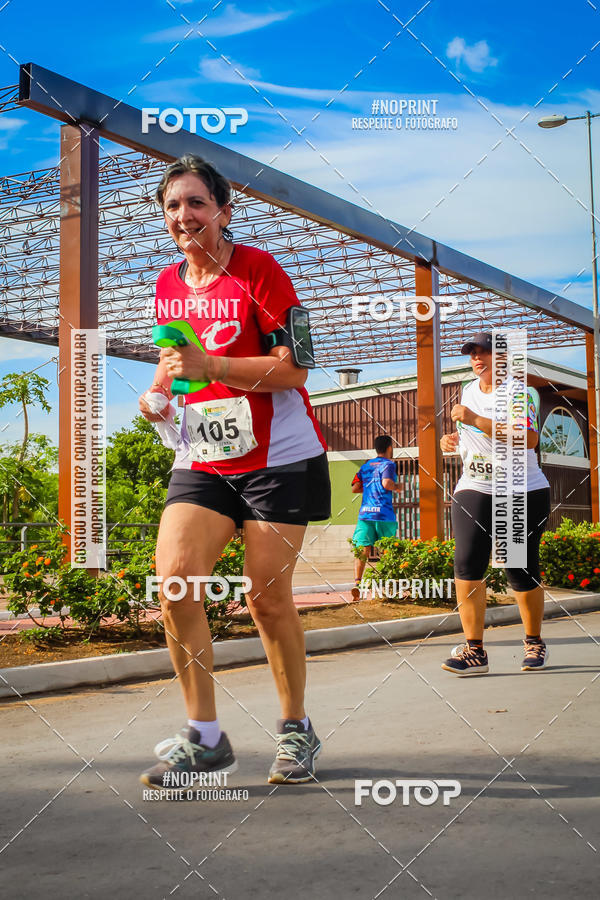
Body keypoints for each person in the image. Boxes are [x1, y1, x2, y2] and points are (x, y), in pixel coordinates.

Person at [138, 154, 331, 785]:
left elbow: (297, 370)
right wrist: (160, 392)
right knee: (174, 583)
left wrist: (215, 369)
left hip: (279, 457)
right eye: (172, 205)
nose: (184, 216)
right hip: (204, 454)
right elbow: (177, 362)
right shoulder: (168, 283)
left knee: (267, 599)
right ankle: (206, 738)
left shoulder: (260, 271)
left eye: (196, 203)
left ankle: (296, 729)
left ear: (224, 211)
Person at [439, 332, 551, 675]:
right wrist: (455, 438)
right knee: (466, 563)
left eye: (484, 352)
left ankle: (534, 640)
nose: (477, 359)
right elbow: (478, 437)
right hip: (474, 484)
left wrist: (474, 420)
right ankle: (474, 651)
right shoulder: (469, 390)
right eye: (472, 353)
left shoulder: (519, 392)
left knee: (517, 567)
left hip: (520, 489)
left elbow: (528, 438)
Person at [350, 435, 401, 600]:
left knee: (361, 550)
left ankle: (357, 584)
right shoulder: (389, 464)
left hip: (365, 514)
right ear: (389, 448)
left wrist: (371, 490)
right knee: (387, 550)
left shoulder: (365, 466)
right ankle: (388, 587)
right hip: (384, 514)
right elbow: (387, 483)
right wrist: (398, 487)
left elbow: (355, 487)